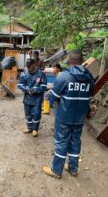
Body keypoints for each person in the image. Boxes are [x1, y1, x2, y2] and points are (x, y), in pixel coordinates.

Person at [43, 50, 94, 179]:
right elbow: (90, 95)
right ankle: (73, 168)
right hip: (80, 117)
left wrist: (49, 95)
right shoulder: (89, 77)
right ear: (82, 60)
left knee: (61, 142)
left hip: (64, 116)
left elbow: (53, 97)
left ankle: (56, 170)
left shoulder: (63, 76)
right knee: (75, 141)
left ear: (69, 60)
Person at [17, 59, 48, 137]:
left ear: (34, 64)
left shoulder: (41, 74)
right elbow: (20, 84)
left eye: (30, 66)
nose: (29, 68)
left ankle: (35, 129)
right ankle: (29, 128)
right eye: (27, 66)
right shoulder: (24, 74)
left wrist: (35, 90)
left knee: (36, 114)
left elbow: (44, 86)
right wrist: (27, 89)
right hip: (27, 98)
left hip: (37, 98)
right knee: (28, 114)